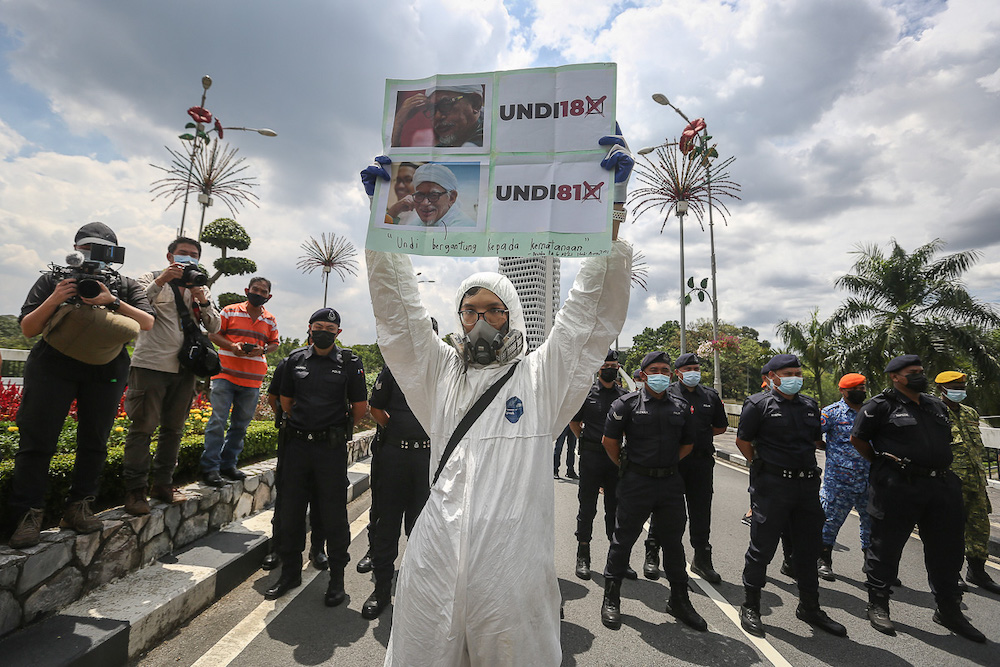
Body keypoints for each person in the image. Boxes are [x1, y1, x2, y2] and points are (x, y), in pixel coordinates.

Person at [363, 128, 633, 665]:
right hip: (435, 558)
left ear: (512, 312)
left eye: (493, 309)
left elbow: (587, 316)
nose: (480, 321)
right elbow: (400, 315)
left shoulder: (542, 376)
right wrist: (383, 222)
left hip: (512, 570)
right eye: (470, 310)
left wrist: (611, 210)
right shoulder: (438, 372)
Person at [7, 222, 155, 548]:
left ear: (115, 256)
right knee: (37, 442)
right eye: (86, 248)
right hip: (51, 365)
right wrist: (57, 297)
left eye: (102, 251)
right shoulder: (54, 278)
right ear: (75, 248)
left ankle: (79, 506)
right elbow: (29, 328)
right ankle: (26, 515)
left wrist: (112, 300)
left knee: (95, 441)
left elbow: (147, 322)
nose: (92, 256)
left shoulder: (125, 285)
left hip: (106, 369)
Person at [850, 355, 985, 642]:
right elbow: (859, 440)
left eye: (921, 371)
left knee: (947, 550)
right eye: (913, 373)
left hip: (941, 485)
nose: (920, 376)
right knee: (885, 547)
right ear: (895, 377)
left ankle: (949, 610)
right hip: (897, 485)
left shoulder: (935, 405)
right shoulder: (879, 406)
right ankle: (878, 604)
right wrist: (884, 463)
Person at [735, 354, 846, 638]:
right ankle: (751, 605)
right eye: (788, 373)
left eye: (798, 372)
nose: (795, 377)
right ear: (771, 376)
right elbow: (743, 441)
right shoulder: (758, 404)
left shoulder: (809, 404)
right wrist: (763, 467)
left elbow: (813, 441)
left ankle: (809, 606)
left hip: (807, 488)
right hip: (773, 487)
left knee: (808, 551)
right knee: (762, 549)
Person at [599, 351, 708, 632]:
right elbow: (609, 441)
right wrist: (629, 466)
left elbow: (687, 444)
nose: (661, 374)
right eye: (655, 369)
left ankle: (679, 600)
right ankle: (611, 597)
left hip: (670, 484)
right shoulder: (627, 404)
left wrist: (667, 465)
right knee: (622, 540)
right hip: (637, 482)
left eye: (665, 370)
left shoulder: (681, 406)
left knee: (673, 544)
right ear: (644, 374)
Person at [265, 308, 368, 603]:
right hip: (297, 447)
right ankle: (290, 573)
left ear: (338, 332)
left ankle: (337, 579)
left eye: (330, 327)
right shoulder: (295, 359)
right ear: (310, 328)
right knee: (291, 511)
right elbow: (284, 402)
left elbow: (359, 406)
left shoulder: (349, 362)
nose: (324, 330)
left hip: (330, 449)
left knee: (334, 513)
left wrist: (332, 426)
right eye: (319, 326)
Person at [123, 237, 221, 516]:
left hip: (185, 369)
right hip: (151, 365)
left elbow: (214, 325)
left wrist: (203, 300)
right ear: (170, 256)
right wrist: (163, 280)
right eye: (183, 254)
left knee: (173, 430)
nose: (189, 259)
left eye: (194, 255)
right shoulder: (149, 278)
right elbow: (138, 306)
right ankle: (135, 490)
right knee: (142, 428)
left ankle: (163, 484)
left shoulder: (201, 286)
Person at [361, 318, 439, 620]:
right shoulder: (396, 367)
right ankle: (381, 590)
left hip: (427, 461)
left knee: (423, 530)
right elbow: (375, 407)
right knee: (386, 526)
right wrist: (399, 430)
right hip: (394, 457)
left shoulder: (444, 372)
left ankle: (419, 591)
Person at [201, 277, 279, 487]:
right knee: (217, 421)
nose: (259, 294)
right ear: (247, 290)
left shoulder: (270, 319)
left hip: (252, 379)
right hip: (225, 374)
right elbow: (213, 335)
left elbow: (274, 344)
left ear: (269, 296)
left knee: (240, 426)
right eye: (256, 290)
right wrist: (232, 345)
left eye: (264, 292)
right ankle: (210, 468)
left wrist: (262, 349)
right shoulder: (229, 311)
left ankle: (228, 464)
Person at [662, 352, 728, 584]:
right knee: (668, 511)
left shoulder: (710, 395)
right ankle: (654, 551)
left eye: (696, 369)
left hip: (701, 462)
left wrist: (696, 436)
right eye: (688, 369)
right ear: (677, 373)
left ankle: (702, 558)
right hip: (675, 461)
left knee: (701, 510)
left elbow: (720, 427)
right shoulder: (667, 394)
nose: (693, 373)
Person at [260, 351, 328, 572]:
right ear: (310, 330)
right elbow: (274, 399)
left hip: (324, 443)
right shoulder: (290, 363)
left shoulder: (338, 363)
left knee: (320, 498)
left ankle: (317, 548)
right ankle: (277, 546)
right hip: (292, 439)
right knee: (286, 499)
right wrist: (295, 419)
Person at [935, 370, 1000, 595]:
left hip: (976, 480)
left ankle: (977, 571)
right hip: (950, 482)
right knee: (951, 529)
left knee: (980, 527)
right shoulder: (934, 412)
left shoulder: (970, 412)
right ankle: (952, 572)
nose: (960, 391)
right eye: (955, 388)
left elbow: (977, 447)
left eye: (962, 387)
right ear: (942, 389)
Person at [568, 349, 629, 580]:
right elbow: (575, 422)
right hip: (591, 457)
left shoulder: (624, 396)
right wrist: (585, 438)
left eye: (614, 364)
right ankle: (583, 555)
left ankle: (616, 558)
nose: (610, 368)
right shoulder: (586, 394)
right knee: (587, 507)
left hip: (615, 459)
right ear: (598, 367)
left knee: (615, 509)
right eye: (606, 364)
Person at [815, 373, 871, 581]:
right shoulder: (831, 413)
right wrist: (828, 449)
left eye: (862, 388)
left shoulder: (871, 412)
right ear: (843, 391)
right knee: (830, 521)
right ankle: (823, 560)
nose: (860, 392)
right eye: (854, 389)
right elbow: (813, 435)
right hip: (839, 480)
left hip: (868, 479)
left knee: (871, 523)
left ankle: (871, 563)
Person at [391, 83, 485, 148]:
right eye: (432, 109)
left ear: (475, 103)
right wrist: (398, 123)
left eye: (446, 104)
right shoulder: (445, 145)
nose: (437, 117)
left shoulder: (490, 138)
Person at [386, 163, 476, 228]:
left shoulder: (464, 227)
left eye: (433, 195)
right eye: (420, 195)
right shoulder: (418, 223)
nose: (425, 203)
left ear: (452, 197)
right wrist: (394, 211)